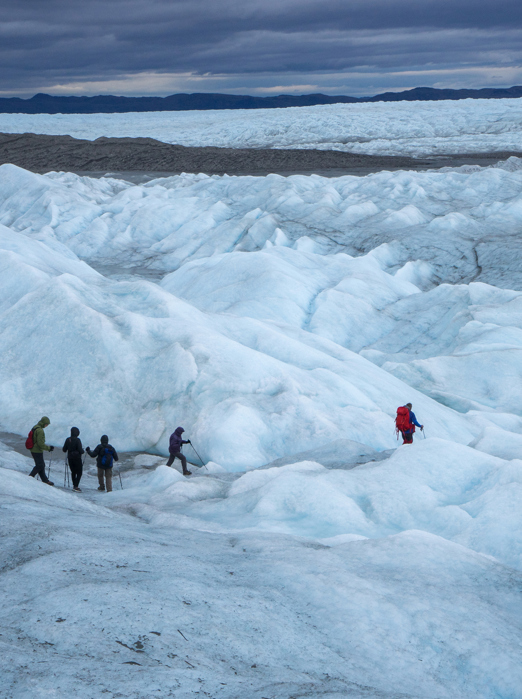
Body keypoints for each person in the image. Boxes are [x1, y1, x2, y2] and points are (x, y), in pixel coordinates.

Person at [29, 416, 55, 485]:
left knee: (41, 465)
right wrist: (48, 448)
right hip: (37, 450)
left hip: (33, 449)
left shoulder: (35, 427)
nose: (46, 426)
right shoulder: (40, 430)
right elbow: (40, 444)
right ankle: (30, 477)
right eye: (46, 424)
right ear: (44, 423)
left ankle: (45, 480)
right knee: (40, 465)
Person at [63, 426, 85, 492]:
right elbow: (81, 451)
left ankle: (74, 485)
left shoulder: (68, 439)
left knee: (73, 472)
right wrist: (83, 451)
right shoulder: (78, 440)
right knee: (79, 472)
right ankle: (76, 486)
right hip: (77, 458)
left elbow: (64, 449)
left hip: (70, 458)